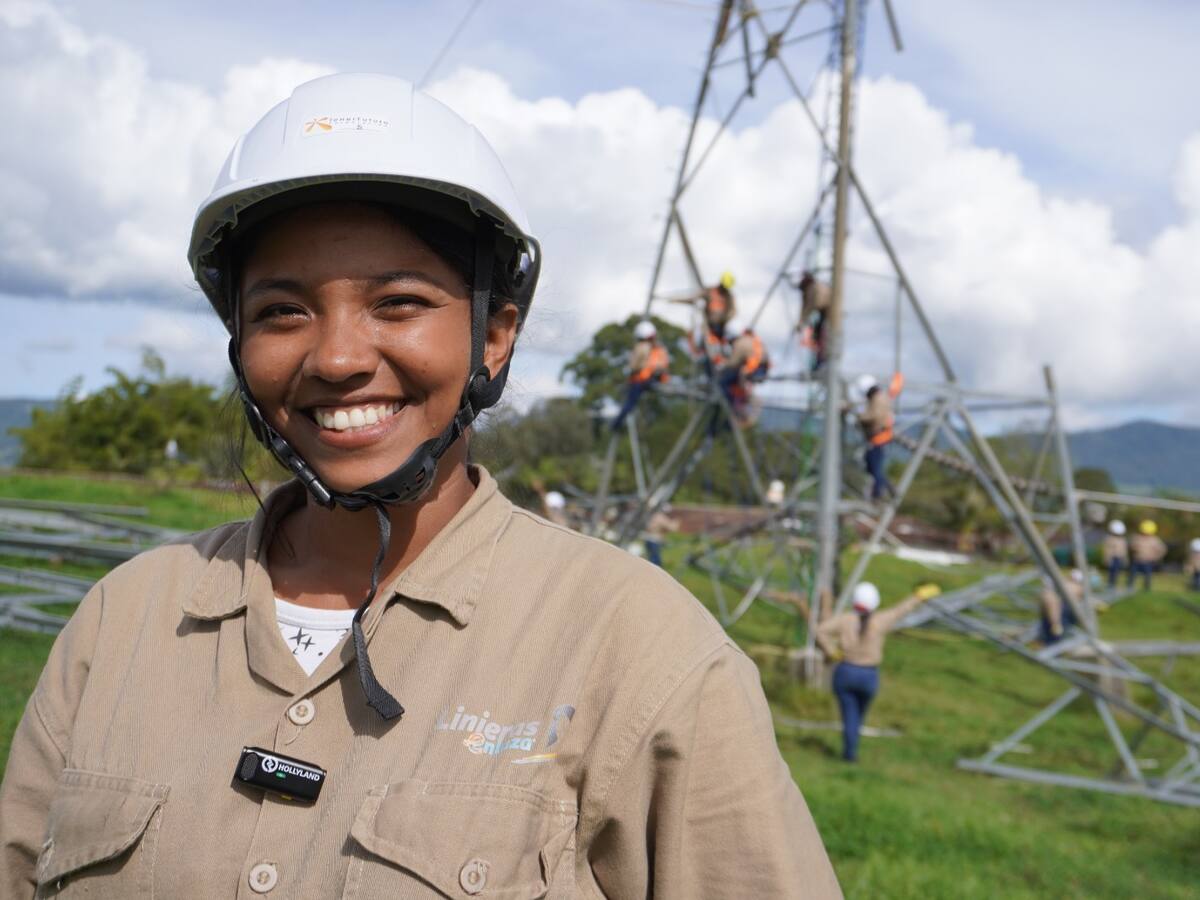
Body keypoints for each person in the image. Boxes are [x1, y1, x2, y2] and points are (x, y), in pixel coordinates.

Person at [0, 74, 841, 898]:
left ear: (495, 336)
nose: (335, 358)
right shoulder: (122, 624)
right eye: (281, 312)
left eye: (398, 303)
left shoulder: (641, 653)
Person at [815, 581, 940, 762]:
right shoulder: (880, 621)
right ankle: (851, 750)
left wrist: (832, 651)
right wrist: (918, 597)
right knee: (858, 716)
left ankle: (850, 753)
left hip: (846, 672)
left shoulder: (845, 620)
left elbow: (821, 630)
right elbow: (900, 610)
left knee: (849, 714)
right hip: (868, 676)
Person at [611, 319, 669, 432]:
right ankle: (616, 424)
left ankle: (617, 424)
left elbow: (661, 367)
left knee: (630, 404)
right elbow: (634, 367)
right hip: (640, 381)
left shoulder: (655, 349)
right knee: (629, 404)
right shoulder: (644, 348)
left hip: (648, 381)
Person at [856, 372, 904, 501]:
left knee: (875, 466)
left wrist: (861, 417)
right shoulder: (879, 397)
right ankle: (885, 486)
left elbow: (874, 416)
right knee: (870, 464)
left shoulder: (878, 399)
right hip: (879, 436)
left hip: (879, 437)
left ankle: (878, 494)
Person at [716, 319, 770, 424]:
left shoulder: (740, 343)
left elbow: (733, 363)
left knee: (723, 382)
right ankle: (740, 406)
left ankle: (734, 408)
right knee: (736, 381)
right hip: (762, 370)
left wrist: (722, 363)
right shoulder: (755, 340)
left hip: (752, 370)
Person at [796, 270, 832, 371]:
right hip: (825, 313)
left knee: (822, 336)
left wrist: (801, 323)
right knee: (819, 334)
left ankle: (822, 361)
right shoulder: (815, 286)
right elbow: (806, 307)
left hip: (828, 313)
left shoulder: (811, 289)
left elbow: (808, 307)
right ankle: (820, 360)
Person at [1038, 569, 1083, 644]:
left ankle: (1055, 626)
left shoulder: (1077, 587)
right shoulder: (1063, 584)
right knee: (1049, 598)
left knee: (1050, 598)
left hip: (1067, 611)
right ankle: (1055, 626)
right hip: (1056, 609)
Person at [1129, 519, 1167, 591]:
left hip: (1148, 562)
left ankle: (1147, 588)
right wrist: (1134, 548)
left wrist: (1156, 557)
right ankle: (1130, 587)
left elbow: (1162, 549)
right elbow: (1131, 546)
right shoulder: (1137, 538)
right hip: (1137, 560)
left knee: (1147, 576)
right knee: (1132, 574)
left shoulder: (1155, 540)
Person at [1102, 520, 1129, 588]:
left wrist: (1125, 558)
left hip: (1119, 558)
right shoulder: (1109, 539)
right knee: (1112, 572)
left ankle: (1114, 584)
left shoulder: (1122, 540)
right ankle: (1110, 584)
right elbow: (1107, 550)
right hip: (1112, 558)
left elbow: (1124, 550)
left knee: (1117, 572)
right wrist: (1107, 558)